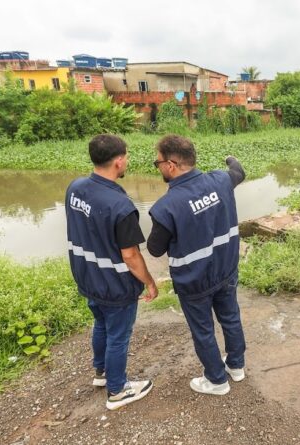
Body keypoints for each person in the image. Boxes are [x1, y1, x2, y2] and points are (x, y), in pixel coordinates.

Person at [147, 135, 246, 396]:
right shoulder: (221, 180)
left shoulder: (166, 207)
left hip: (194, 282)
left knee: (203, 330)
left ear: (171, 164)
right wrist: (230, 159)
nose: (157, 167)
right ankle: (236, 367)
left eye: (157, 162)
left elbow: (155, 249)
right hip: (226, 270)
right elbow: (238, 171)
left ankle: (216, 380)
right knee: (231, 318)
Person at [65, 134, 158, 410]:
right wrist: (150, 283)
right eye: (126, 157)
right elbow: (130, 255)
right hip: (115, 284)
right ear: (118, 162)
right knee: (118, 334)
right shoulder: (120, 206)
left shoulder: (75, 188)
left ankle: (102, 372)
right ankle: (117, 390)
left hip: (87, 276)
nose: (127, 160)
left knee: (101, 324)